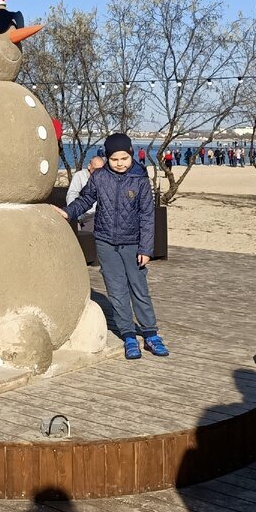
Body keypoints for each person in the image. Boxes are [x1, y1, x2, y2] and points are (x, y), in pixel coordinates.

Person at [63, 132, 169, 360]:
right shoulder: (100, 177)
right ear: (107, 158)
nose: (120, 163)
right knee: (117, 290)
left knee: (138, 288)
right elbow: (84, 200)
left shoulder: (140, 179)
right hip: (106, 242)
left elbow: (147, 216)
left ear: (131, 155)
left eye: (124, 158)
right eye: (114, 159)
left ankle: (150, 333)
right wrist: (67, 212)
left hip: (133, 244)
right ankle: (129, 335)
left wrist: (146, 249)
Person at [65, 155, 105, 235]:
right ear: (89, 166)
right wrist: (74, 211)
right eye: (95, 169)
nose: (98, 173)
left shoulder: (105, 178)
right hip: (85, 214)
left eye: (101, 170)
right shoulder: (79, 176)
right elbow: (72, 193)